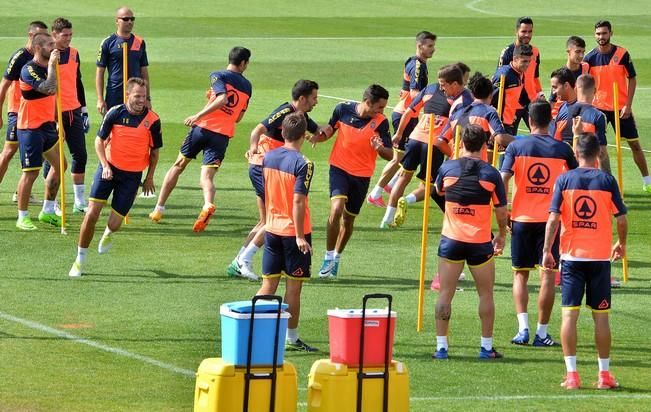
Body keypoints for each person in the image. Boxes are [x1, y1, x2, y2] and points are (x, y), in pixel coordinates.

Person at [542, 131, 626, 390]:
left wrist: (547, 249)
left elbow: (554, 218)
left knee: (569, 315)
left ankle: (572, 376)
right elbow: (621, 218)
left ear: (577, 154)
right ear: (598, 154)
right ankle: (603, 376)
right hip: (600, 258)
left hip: (571, 257)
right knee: (601, 318)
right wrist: (621, 244)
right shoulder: (607, 180)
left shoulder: (564, 180)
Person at [149, 47, 252, 232]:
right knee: (207, 176)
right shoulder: (248, 86)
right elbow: (238, 118)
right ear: (244, 63)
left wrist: (198, 115)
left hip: (202, 130)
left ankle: (158, 209)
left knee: (179, 165)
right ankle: (207, 205)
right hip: (222, 136)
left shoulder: (218, 75)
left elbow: (222, 99)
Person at [501, 101, 578, 347]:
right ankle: (541, 333)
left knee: (520, 275)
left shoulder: (516, 146)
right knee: (547, 275)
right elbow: (574, 178)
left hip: (521, 219)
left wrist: (506, 214)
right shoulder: (562, 149)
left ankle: (522, 329)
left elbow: (503, 178)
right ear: (550, 122)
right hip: (551, 222)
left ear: (530, 121)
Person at [227, 80, 320, 280]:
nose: (316, 102)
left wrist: (330, 127)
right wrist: (253, 149)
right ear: (302, 98)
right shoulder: (285, 111)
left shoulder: (301, 116)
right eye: (314, 98)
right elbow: (257, 130)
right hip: (265, 167)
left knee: (265, 219)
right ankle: (243, 260)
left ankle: (239, 260)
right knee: (274, 218)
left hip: (272, 168)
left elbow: (319, 131)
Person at [69, 77, 161, 277]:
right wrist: (104, 166)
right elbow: (98, 141)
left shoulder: (153, 120)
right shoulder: (115, 113)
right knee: (91, 214)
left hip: (132, 176)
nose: (140, 100)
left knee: (115, 223)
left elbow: (154, 152)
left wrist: (149, 178)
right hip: (108, 170)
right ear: (127, 95)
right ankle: (79, 260)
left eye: (144, 97)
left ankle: (108, 233)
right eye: (137, 96)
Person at [432, 124, 508, 360]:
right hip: (479, 241)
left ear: (461, 143)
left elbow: (438, 191)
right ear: (485, 145)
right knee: (486, 294)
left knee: (445, 293)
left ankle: (442, 348)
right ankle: (486, 347)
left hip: (451, 240)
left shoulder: (447, 168)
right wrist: (502, 234)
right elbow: (501, 210)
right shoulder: (491, 173)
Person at [310, 84, 392, 278]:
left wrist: (379, 148)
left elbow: (390, 155)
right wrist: (317, 137)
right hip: (339, 168)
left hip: (362, 176)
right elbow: (330, 130)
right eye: (379, 107)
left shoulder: (381, 122)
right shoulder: (342, 109)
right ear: (368, 102)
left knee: (348, 219)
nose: (382, 111)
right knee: (336, 208)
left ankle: (336, 258)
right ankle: (328, 257)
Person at [380, 63, 473, 229]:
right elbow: (457, 125)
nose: (441, 87)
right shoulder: (464, 99)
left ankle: (386, 220)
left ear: (453, 83)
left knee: (403, 178)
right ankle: (407, 200)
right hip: (434, 142)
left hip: (416, 137)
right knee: (430, 186)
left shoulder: (429, 89)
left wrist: (399, 133)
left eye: (443, 84)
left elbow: (409, 111)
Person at [255, 112, 317, 352]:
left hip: (271, 229)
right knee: (293, 288)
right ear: (303, 136)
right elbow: (299, 201)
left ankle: (254, 331)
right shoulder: (304, 163)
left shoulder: (269, 157)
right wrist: (301, 236)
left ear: (282, 132)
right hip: (294, 233)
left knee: (268, 285)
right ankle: (291, 338)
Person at [367, 31, 436, 207]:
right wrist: (430, 103)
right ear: (419, 46)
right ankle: (375, 193)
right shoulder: (418, 66)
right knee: (398, 158)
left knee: (409, 155)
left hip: (408, 115)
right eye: (429, 46)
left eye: (433, 46)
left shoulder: (413, 61)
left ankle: (390, 185)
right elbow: (414, 93)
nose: (433, 49)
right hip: (405, 115)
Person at [584, 20, 651, 193]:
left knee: (635, 145)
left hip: (621, 108)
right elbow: (585, 83)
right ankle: (597, 180)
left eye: (604, 33)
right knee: (595, 146)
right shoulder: (589, 58)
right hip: (598, 108)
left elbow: (632, 78)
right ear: (594, 35)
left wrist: (628, 105)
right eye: (598, 34)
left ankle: (647, 181)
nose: (601, 37)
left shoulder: (622, 54)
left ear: (611, 33)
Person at [15, 32, 65, 230]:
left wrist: (56, 120)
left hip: (47, 126)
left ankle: (47, 210)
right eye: (50, 44)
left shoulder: (48, 67)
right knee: (31, 173)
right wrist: (53, 65)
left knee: (60, 164)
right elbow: (50, 88)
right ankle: (22, 217)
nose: (55, 47)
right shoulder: (29, 69)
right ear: (38, 48)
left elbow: (53, 98)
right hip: (30, 128)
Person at [0, 21, 48, 203]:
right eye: (41, 35)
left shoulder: (44, 56)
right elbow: (3, 85)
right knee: (8, 152)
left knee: (40, 150)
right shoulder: (21, 56)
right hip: (18, 111)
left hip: (36, 114)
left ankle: (20, 192)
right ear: (31, 36)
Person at [47, 17, 90, 212]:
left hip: (74, 111)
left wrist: (84, 108)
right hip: (54, 113)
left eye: (71, 35)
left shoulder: (74, 54)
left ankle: (79, 201)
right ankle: (51, 202)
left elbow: (78, 81)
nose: (69, 39)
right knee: (54, 160)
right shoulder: (47, 55)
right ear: (54, 34)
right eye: (65, 35)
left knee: (80, 154)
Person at [550, 71, 610, 173]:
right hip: (589, 173)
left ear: (576, 89)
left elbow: (556, 142)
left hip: (565, 173)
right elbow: (602, 153)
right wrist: (607, 177)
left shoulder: (562, 108)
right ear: (595, 91)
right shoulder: (598, 116)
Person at [96, 6, 150, 115]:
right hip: (114, 93)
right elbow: (100, 72)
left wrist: (147, 98)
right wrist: (100, 99)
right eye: (125, 19)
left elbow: (144, 71)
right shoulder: (108, 42)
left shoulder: (139, 42)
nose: (129, 22)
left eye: (132, 19)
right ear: (117, 21)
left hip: (136, 94)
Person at [497, 17, 543, 132]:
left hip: (531, 103)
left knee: (541, 134)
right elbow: (500, 82)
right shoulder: (507, 52)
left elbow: (535, 76)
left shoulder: (535, 52)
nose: (527, 35)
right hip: (513, 106)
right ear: (516, 31)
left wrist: (540, 94)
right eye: (523, 31)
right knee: (509, 139)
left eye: (530, 31)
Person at [492, 44, 533, 135]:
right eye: (524, 61)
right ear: (515, 59)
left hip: (510, 122)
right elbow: (491, 100)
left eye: (529, 61)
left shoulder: (520, 72)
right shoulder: (503, 75)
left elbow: (521, 96)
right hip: (501, 125)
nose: (527, 65)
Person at [550, 36, 589, 118]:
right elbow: (552, 101)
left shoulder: (586, 67)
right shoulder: (560, 75)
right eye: (577, 52)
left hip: (577, 115)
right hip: (560, 116)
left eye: (583, 52)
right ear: (568, 51)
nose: (581, 55)